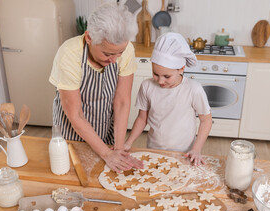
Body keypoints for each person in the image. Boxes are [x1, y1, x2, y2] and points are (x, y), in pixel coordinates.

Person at [49, 2, 143, 172]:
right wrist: (106, 154)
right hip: (73, 133)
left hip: (105, 127)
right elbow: (75, 114)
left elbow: (122, 101)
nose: (114, 60)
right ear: (89, 38)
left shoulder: (126, 49)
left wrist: (118, 149)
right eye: (107, 54)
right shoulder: (69, 55)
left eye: (119, 53)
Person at [125, 32, 213, 166]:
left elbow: (206, 120)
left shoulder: (193, 89)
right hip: (153, 151)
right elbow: (142, 119)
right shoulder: (147, 86)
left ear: (181, 68)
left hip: (185, 154)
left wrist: (196, 149)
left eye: (167, 76)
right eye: (155, 74)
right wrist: (128, 143)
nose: (160, 81)